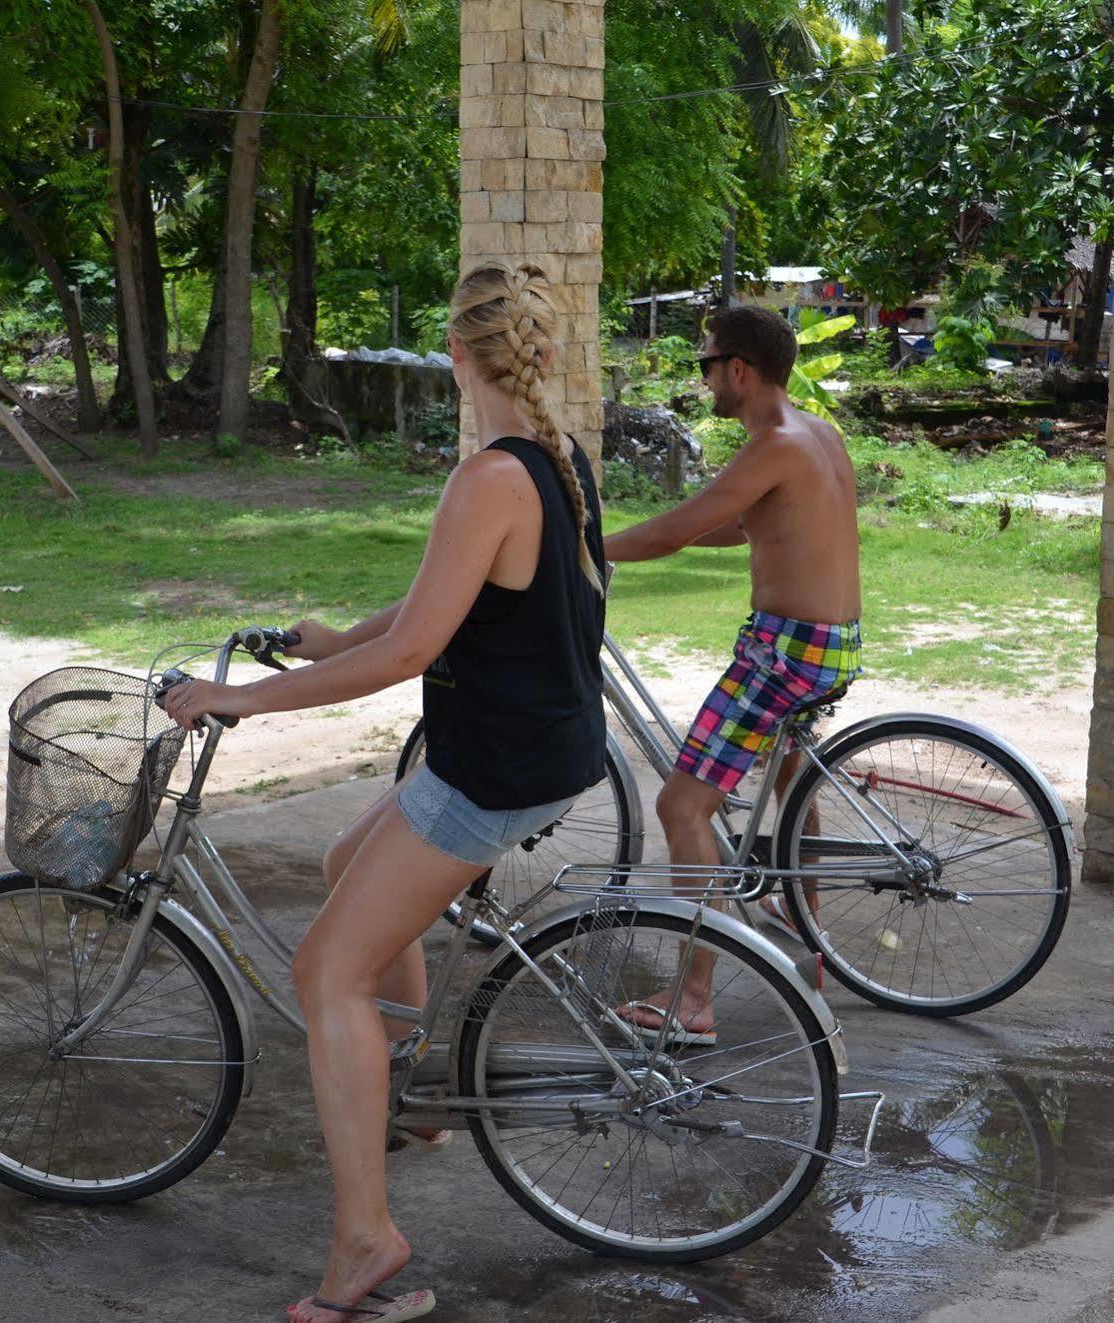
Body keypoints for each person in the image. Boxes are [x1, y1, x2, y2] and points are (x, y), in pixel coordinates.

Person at [160, 261, 606, 1323]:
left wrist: (239, 699)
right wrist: (330, 640)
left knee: (326, 973)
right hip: (526, 751)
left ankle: (365, 1241)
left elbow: (410, 652)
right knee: (341, 865)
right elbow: (433, 613)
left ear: (456, 352)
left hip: (487, 770)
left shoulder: (489, 477)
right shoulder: (554, 460)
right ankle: (401, 1089)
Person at [600, 304, 862, 1042]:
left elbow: (680, 524)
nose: (704, 376)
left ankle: (692, 999)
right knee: (788, 772)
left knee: (682, 808)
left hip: (785, 649)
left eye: (705, 363)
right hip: (830, 642)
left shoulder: (771, 443)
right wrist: (642, 540)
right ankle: (799, 917)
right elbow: (745, 522)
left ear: (737, 370)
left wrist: (585, 545)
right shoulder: (815, 433)